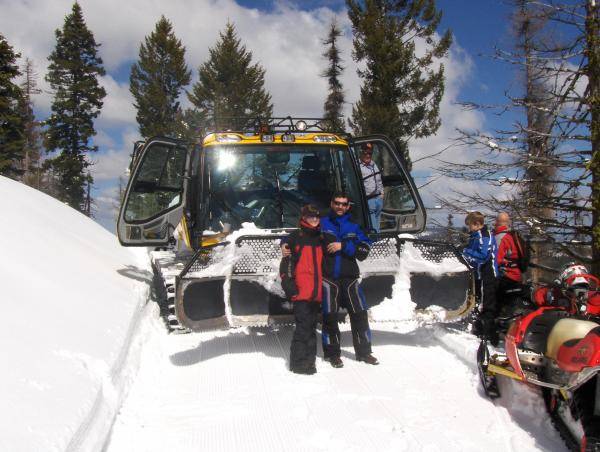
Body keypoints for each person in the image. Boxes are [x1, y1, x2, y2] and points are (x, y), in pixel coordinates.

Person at [320, 191, 379, 367]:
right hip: (329, 278)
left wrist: (343, 245)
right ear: (331, 203)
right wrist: (285, 242)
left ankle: (364, 353)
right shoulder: (322, 223)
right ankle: (332, 354)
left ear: (348, 206)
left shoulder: (354, 225)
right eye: (337, 203)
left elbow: (364, 249)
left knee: (360, 314)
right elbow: (302, 233)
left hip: (350, 278)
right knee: (329, 317)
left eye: (343, 204)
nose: (340, 206)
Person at [279, 205, 324, 375]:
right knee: (303, 329)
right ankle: (298, 363)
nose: (314, 219)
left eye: (317, 217)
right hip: (301, 293)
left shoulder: (321, 237)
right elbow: (285, 267)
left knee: (311, 328)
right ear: (303, 217)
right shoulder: (295, 237)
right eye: (311, 216)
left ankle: (309, 361)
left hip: (316, 293)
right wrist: (291, 289)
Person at [462, 211, 499, 345]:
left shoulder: (484, 236)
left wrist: (466, 252)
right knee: (477, 299)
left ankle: (487, 333)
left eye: (470, 225)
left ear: (477, 224)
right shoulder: (475, 236)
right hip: (478, 274)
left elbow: (483, 256)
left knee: (486, 303)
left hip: (487, 274)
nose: (469, 228)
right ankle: (477, 327)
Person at [494, 212, 525, 312]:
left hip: (506, 276)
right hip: (516, 275)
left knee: (498, 306)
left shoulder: (500, 238)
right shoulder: (513, 236)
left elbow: (496, 260)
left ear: (497, 222)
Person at [359, 143, 384, 232]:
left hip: (378, 199)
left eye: (370, 153)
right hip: (369, 200)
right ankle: (375, 243)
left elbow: (379, 180)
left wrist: (382, 193)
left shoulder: (374, 165)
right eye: (365, 153)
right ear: (361, 153)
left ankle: (378, 242)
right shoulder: (358, 167)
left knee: (378, 225)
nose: (368, 155)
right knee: (373, 227)